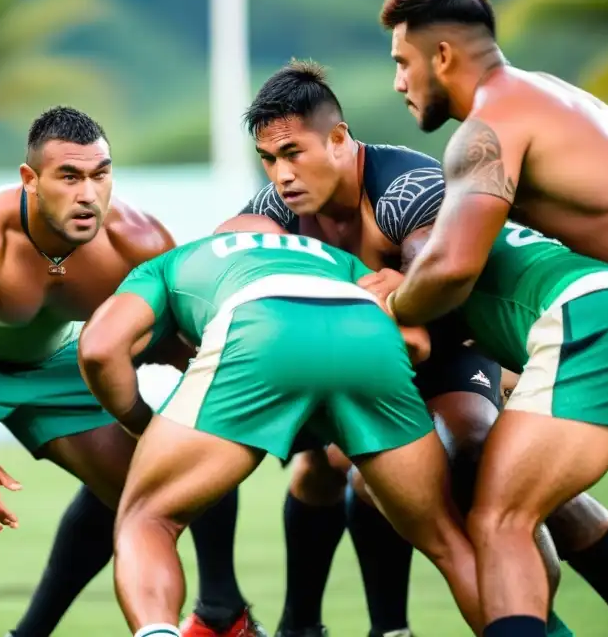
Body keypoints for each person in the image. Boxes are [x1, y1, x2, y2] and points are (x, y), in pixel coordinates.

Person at [192, 61, 608, 637]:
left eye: (293, 153)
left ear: (339, 139)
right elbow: (229, 245)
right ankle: (312, 626)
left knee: (475, 457)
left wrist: (389, 308)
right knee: (327, 465)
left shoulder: (402, 186)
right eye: (269, 159)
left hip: (446, 340)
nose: (281, 173)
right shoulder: (283, 203)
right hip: (380, 345)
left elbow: (432, 282)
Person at [0, 106, 263, 637]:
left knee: (167, 479)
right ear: (30, 180)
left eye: (100, 175)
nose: (88, 194)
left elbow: (183, 344)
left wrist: (233, 402)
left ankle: (221, 611)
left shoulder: (138, 242)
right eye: (69, 177)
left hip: (62, 365)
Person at [375, 0, 608, 637]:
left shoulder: (492, 123)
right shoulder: (547, 95)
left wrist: (395, 298)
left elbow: (450, 268)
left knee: (500, 518)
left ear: (441, 55)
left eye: (402, 62)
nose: (398, 83)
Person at [78, 214, 486, 637]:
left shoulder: (176, 260)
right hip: (370, 341)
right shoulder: (335, 259)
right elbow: (417, 343)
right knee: (448, 540)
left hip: (257, 330)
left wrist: (139, 423)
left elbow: (98, 349)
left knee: (148, 520)